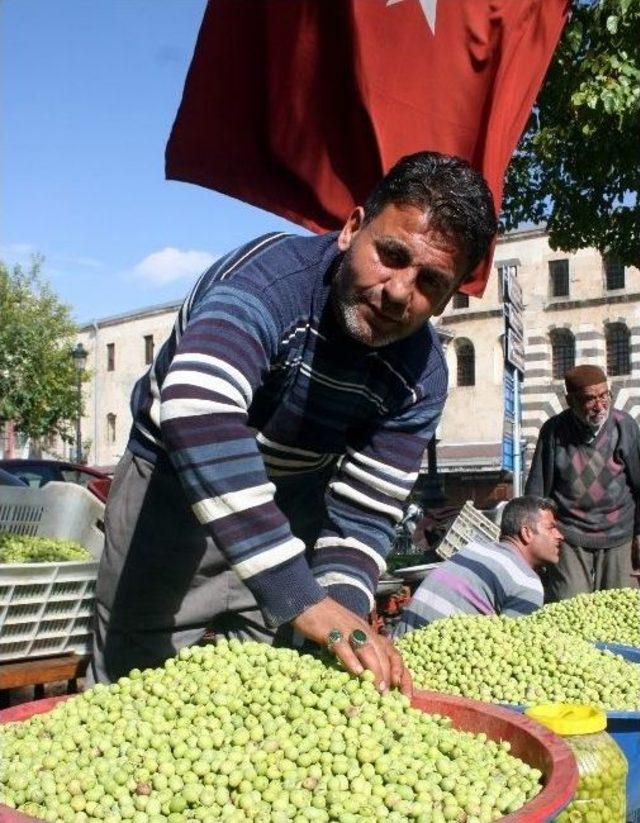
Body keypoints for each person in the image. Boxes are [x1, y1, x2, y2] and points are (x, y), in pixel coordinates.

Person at [89, 151, 497, 688]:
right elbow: (196, 406)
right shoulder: (270, 281)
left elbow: (364, 509)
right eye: (392, 254)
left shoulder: (421, 376)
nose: (399, 291)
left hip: (293, 503)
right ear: (352, 229)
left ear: (447, 299)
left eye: (430, 282)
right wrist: (300, 594)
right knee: (134, 680)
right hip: (171, 491)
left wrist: (341, 615)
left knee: (273, 686)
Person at [525, 364, 640, 601]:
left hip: (619, 535)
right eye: (590, 399)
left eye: (604, 396)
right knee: (568, 605)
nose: (600, 406)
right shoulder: (553, 432)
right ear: (571, 401)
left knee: (618, 608)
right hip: (569, 537)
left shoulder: (624, 425)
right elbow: (537, 492)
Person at [394, 496, 563, 636]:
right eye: (551, 528)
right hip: (425, 667)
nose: (560, 536)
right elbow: (513, 649)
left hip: (396, 650)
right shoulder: (526, 583)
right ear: (527, 533)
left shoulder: (474, 549)